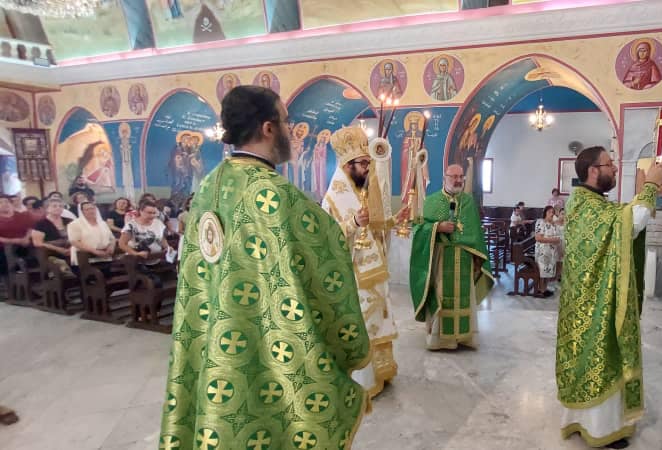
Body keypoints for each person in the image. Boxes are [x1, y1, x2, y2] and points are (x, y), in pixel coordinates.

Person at [159, 85, 371, 450]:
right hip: (265, 337)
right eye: (287, 122)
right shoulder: (276, 195)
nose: (291, 130)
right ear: (269, 128)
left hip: (215, 337)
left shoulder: (208, 188)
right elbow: (327, 257)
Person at [557, 146, 662, 448]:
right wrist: (652, 186)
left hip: (585, 297)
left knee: (586, 357)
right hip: (593, 300)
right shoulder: (585, 204)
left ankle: (582, 421)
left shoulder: (590, 203)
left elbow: (619, 220)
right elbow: (627, 224)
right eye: (610, 164)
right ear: (593, 170)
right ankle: (601, 429)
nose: (615, 169)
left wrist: (642, 193)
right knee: (600, 355)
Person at [321, 126, 410, 398]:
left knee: (378, 321)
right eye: (363, 164)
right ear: (348, 165)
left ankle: (381, 374)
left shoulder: (362, 191)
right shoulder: (333, 198)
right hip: (353, 275)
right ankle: (363, 381)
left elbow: (375, 228)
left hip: (374, 271)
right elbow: (327, 237)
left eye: (368, 163)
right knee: (362, 323)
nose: (367, 168)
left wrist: (396, 218)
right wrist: (352, 223)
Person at [410, 164, 494, 350]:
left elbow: (475, 234)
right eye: (453, 176)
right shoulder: (431, 201)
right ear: (444, 178)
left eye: (460, 176)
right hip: (441, 258)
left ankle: (465, 336)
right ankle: (440, 339)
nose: (457, 180)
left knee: (464, 297)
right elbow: (417, 228)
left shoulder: (468, 201)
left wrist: (477, 259)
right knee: (441, 295)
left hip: (464, 260)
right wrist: (437, 227)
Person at [31, 198, 74, 276]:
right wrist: (59, 249)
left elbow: (77, 237)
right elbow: (37, 243)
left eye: (61, 206)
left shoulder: (69, 221)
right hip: (51, 251)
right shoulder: (41, 224)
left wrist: (71, 248)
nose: (58, 208)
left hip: (70, 248)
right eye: (54, 206)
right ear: (47, 209)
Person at [68, 201, 116, 269]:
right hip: (84, 259)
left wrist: (111, 247)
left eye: (92, 208)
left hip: (105, 257)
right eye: (87, 209)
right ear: (82, 211)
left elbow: (112, 238)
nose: (91, 211)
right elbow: (74, 241)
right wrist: (95, 251)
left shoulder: (102, 223)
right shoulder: (74, 224)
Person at [0, 195, 35, 272]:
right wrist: (16, 241)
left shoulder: (22, 215)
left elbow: (30, 228)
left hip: (25, 244)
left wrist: (26, 238)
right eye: (0, 202)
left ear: (11, 203)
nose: (4, 204)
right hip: (4, 247)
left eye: (6, 202)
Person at [533, 205, 562, 298]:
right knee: (542, 271)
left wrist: (556, 241)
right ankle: (539, 290)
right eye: (549, 212)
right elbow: (538, 238)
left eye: (553, 212)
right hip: (542, 250)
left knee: (548, 271)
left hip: (551, 251)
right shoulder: (540, 222)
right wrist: (553, 240)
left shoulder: (553, 224)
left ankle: (544, 289)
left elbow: (557, 236)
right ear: (545, 213)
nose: (551, 214)